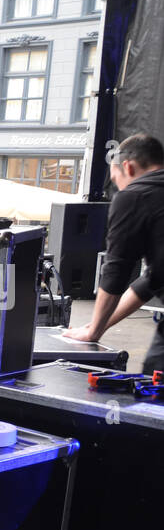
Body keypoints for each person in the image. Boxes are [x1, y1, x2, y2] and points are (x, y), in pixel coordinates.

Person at [63, 133, 164, 372]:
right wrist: (98, 325)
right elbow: (153, 278)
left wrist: (94, 331)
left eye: (116, 179)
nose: (118, 187)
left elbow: (116, 269)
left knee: (154, 393)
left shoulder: (135, 195)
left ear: (128, 167)